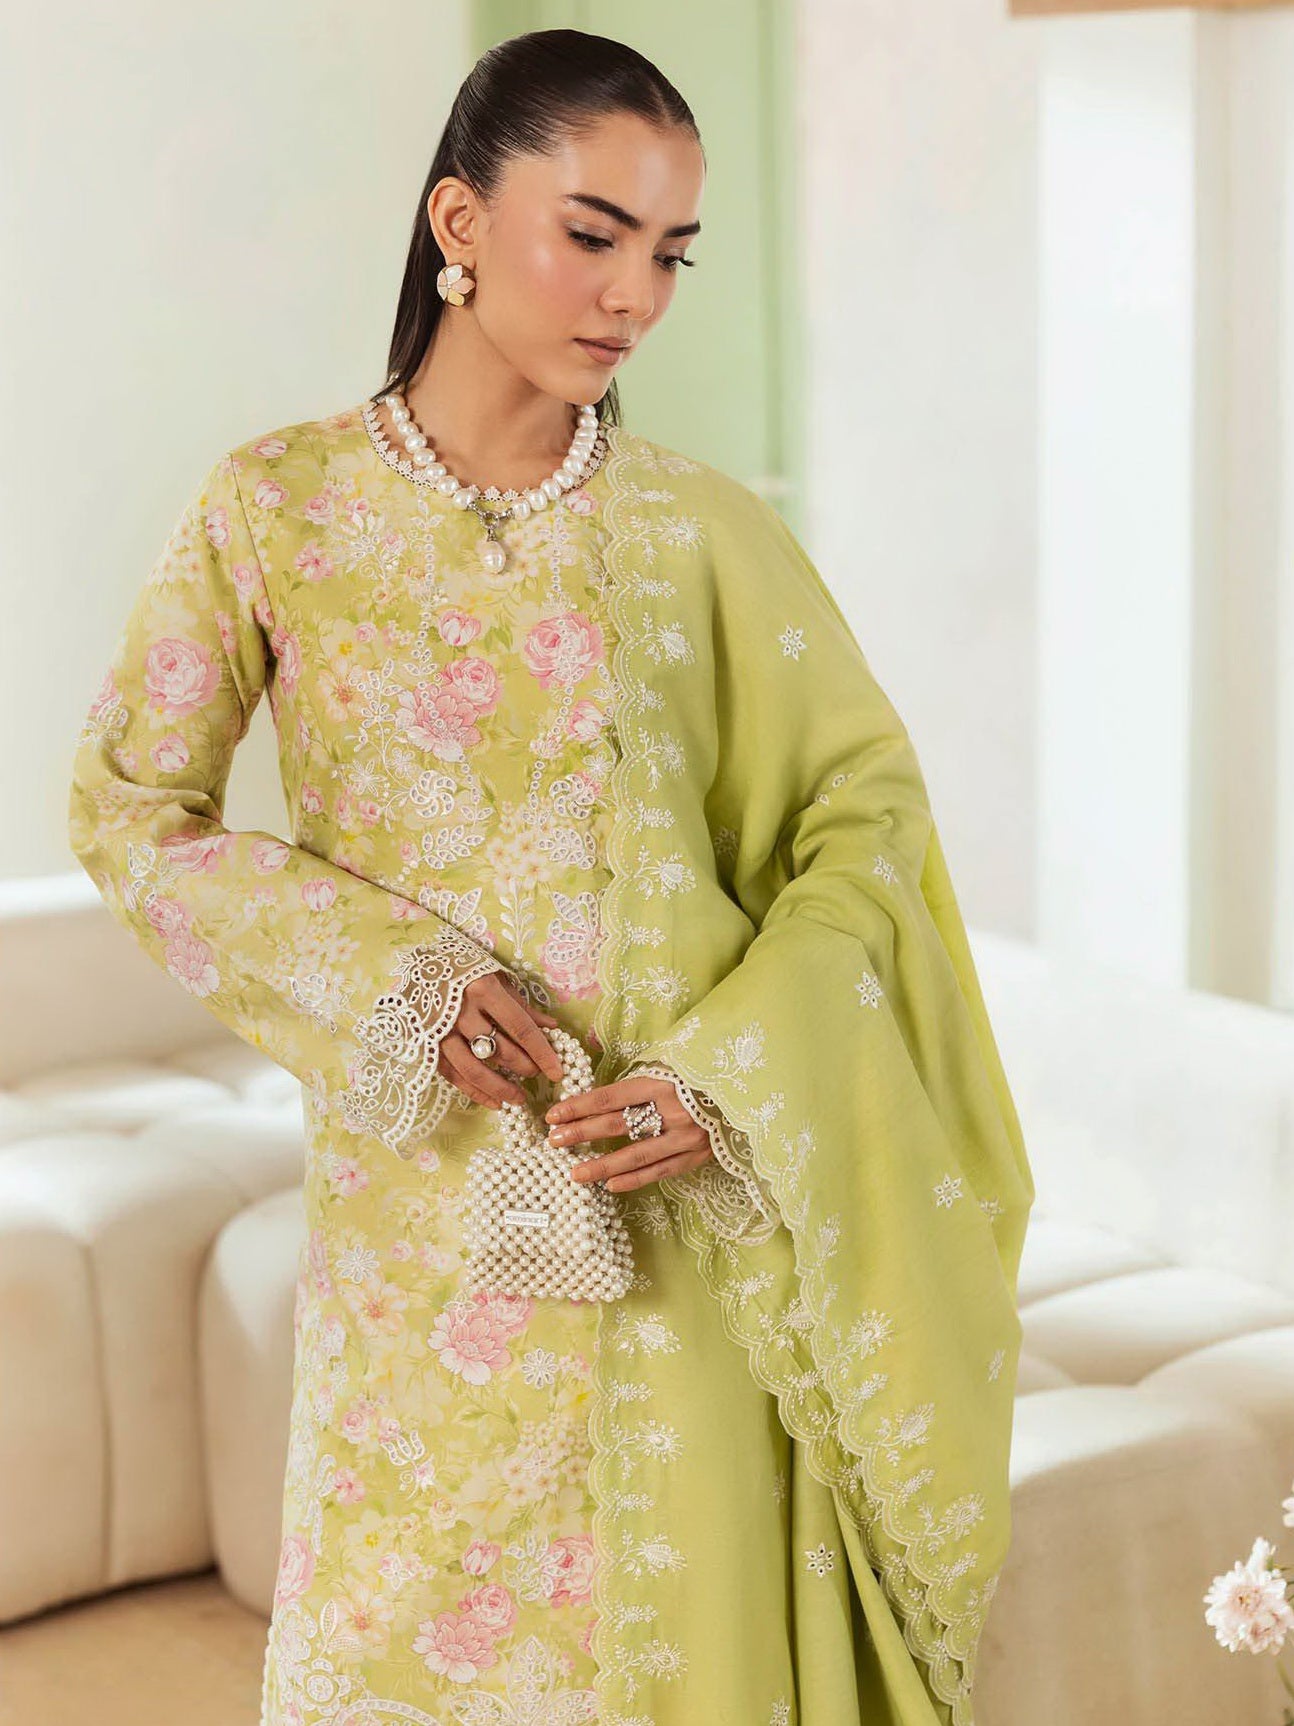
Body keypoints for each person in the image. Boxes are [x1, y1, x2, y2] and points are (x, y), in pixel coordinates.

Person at [67, 27, 1035, 1726]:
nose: (632, 295)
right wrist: (391, 975)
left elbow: (861, 828)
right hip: (416, 1226)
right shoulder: (274, 509)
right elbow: (130, 803)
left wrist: (727, 1080)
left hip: (667, 1208)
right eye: (592, 234)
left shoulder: (699, 532)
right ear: (458, 220)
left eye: (668, 253)